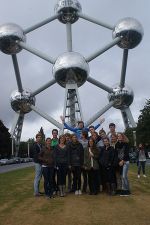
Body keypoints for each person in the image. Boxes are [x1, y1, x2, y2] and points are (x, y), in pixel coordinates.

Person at [51, 129, 59, 194]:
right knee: (52, 176)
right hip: (52, 162)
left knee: (59, 176)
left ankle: (58, 189)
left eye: (56, 133)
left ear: (57, 134)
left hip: (59, 161)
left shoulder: (60, 141)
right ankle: (54, 188)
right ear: (52, 134)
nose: (55, 134)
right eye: (54, 133)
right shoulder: (50, 141)